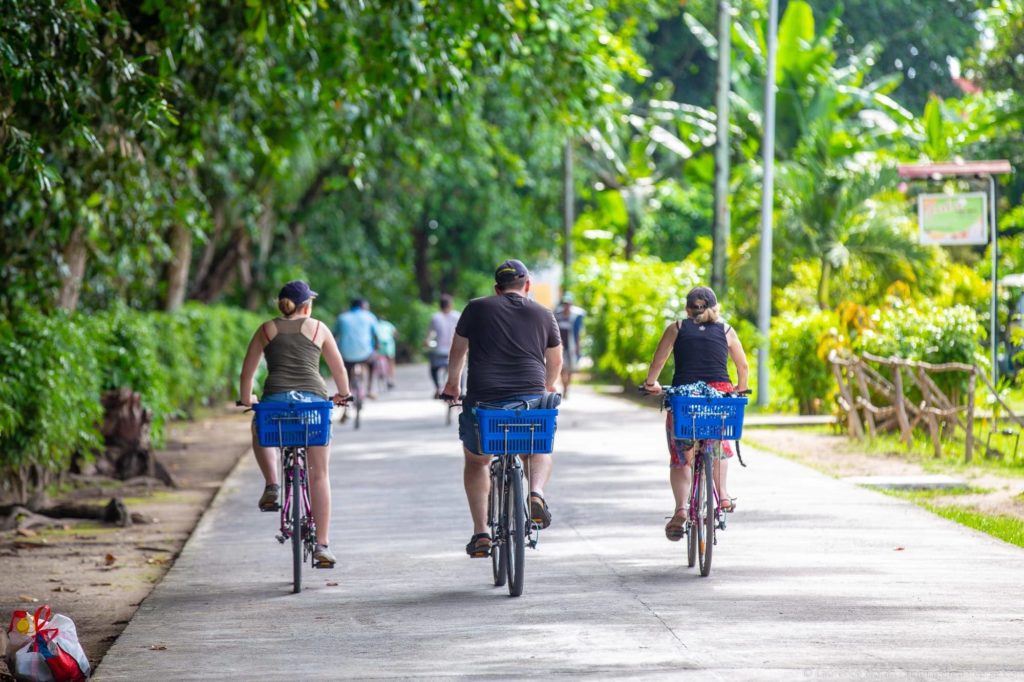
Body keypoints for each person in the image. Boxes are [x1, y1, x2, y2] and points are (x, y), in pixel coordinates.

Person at [442, 259, 562, 558]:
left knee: (477, 461)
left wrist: (452, 385)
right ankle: (535, 493)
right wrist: (546, 387)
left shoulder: (476, 308)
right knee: (537, 450)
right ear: (528, 285)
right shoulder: (544, 314)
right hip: (530, 399)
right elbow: (556, 361)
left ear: (497, 289)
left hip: (485, 400)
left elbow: (458, 351)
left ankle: (481, 532)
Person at [238, 280, 351, 568]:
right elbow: (338, 369)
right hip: (313, 404)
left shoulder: (266, 329)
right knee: (319, 475)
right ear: (306, 305)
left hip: (275, 403)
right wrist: (343, 395)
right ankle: (322, 545)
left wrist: (246, 398)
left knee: (259, 425)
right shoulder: (318, 328)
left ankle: (272, 484)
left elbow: (247, 371)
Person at [641, 285, 749, 542]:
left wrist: (651, 384)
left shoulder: (676, 328)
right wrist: (740, 389)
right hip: (718, 398)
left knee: (680, 455)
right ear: (715, 308)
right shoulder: (727, 330)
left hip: (686, 400)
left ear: (688, 309)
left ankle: (680, 511)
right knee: (718, 442)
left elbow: (659, 360)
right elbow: (742, 366)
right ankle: (722, 495)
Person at [335, 298, 379, 402]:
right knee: (373, 363)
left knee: (346, 372)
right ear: (363, 306)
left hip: (346, 355)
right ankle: (369, 389)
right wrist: (377, 346)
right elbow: (376, 336)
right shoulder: (369, 316)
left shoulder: (342, 318)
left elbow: (335, 335)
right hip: (365, 354)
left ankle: (345, 395)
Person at [425, 294, 461, 398]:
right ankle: (460, 390)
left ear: (439, 305)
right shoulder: (457, 316)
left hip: (439, 352)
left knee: (433, 368)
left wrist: (426, 342)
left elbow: (430, 335)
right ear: (450, 305)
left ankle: (437, 387)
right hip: (455, 351)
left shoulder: (435, 317)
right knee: (460, 370)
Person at [554, 293, 585, 399]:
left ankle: (567, 388)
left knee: (570, 369)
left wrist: (578, 346)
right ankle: (564, 387)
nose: (566, 306)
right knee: (562, 368)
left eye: (568, 304)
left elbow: (578, 333)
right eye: (565, 303)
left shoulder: (575, 317)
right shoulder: (558, 316)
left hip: (571, 346)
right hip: (560, 347)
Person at [374, 317, 398, 390]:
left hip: (379, 344)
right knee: (391, 362)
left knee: (376, 359)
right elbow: (395, 334)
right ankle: (391, 380)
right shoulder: (389, 324)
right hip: (388, 344)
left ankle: (379, 372)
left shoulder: (375, 325)